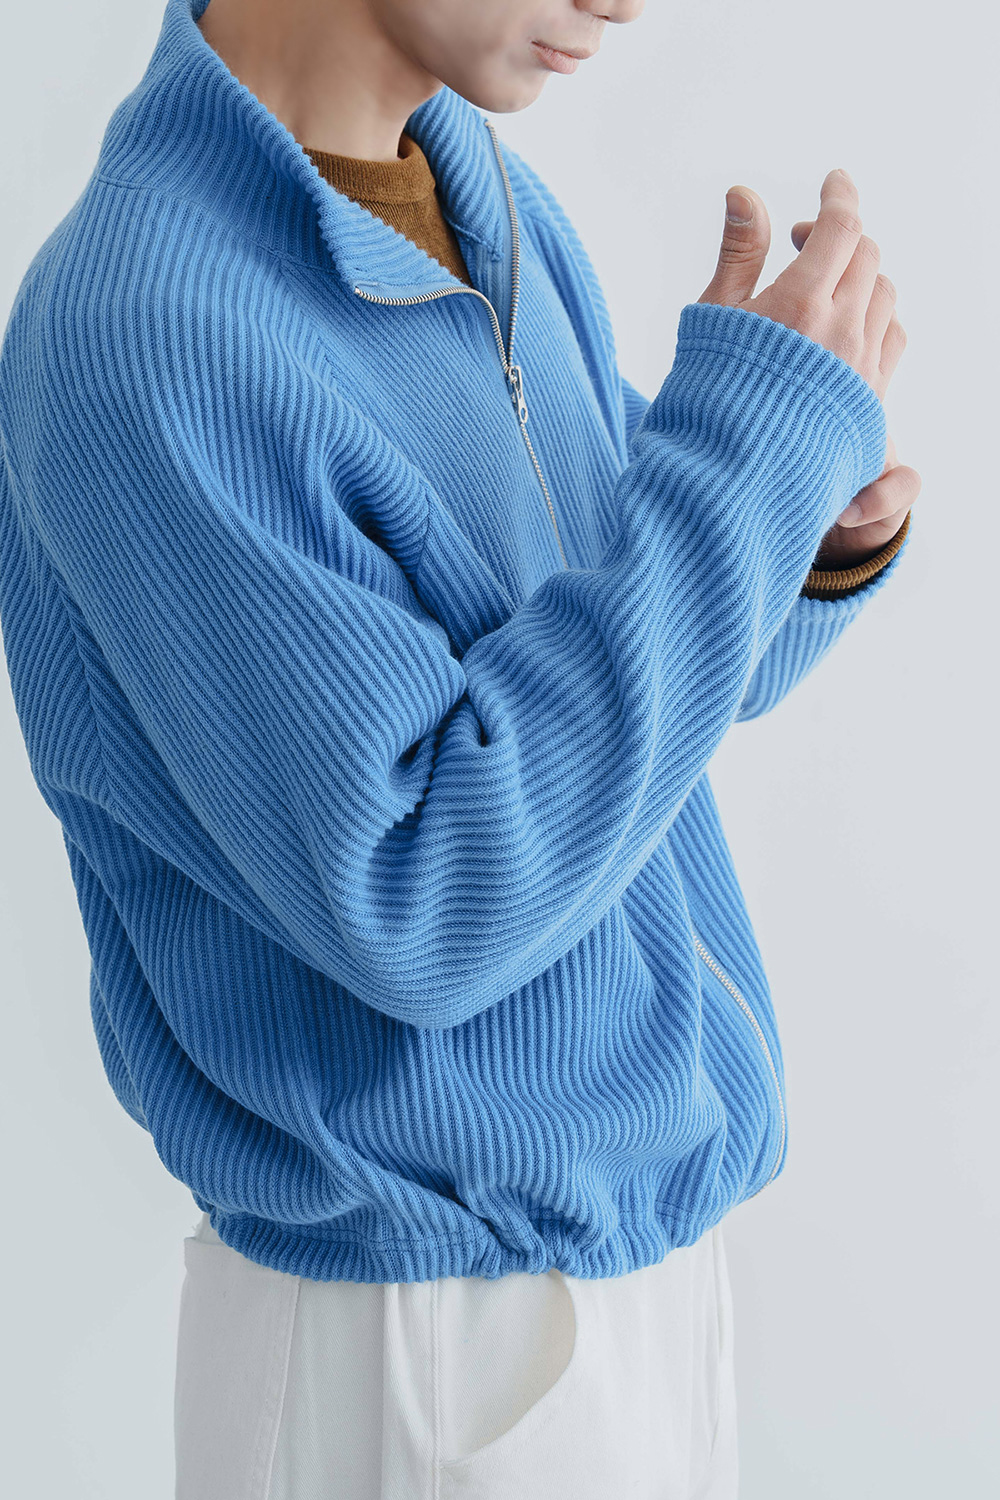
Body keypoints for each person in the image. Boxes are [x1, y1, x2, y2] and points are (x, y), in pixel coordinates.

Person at [0, 0, 918, 1495]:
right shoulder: (149, 331)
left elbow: (603, 686)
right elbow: (426, 890)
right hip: (426, 1348)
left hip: (625, 1291)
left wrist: (789, 533)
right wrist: (736, 477)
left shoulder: (478, 196)